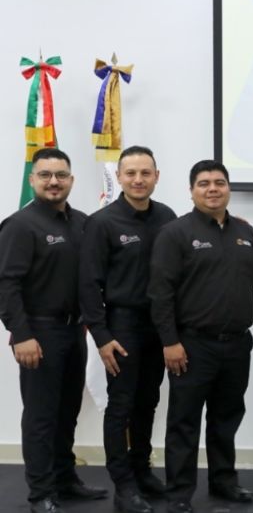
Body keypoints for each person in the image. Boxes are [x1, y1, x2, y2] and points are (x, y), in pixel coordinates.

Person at [148, 160, 253, 513]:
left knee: (226, 417)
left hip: (237, 343)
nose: (212, 189)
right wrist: (170, 342)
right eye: (203, 183)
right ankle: (180, 491)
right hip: (191, 346)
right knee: (184, 421)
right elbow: (160, 292)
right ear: (191, 190)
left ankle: (224, 481)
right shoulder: (175, 233)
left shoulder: (246, 233)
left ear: (228, 187)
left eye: (219, 182)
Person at [0, 148, 106, 513]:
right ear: (32, 179)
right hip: (38, 333)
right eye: (45, 175)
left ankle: (65, 480)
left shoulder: (82, 223)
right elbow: (6, 285)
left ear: (71, 180)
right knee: (42, 416)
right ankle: (40, 492)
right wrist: (21, 334)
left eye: (60, 175)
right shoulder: (20, 225)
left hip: (75, 332)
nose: (53, 181)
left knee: (67, 412)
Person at [79, 146, 177, 513]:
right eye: (131, 173)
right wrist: (101, 337)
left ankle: (141, 470)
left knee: (148, 402)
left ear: (156, 176)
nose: (138, 179)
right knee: (120, 406)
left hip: (159, 325)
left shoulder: (167, 217)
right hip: (121, 325)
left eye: (145, 173)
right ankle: (123, 484)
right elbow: (88, 285)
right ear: (119, 177)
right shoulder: (102, 222)